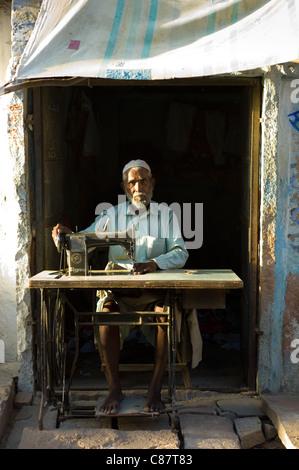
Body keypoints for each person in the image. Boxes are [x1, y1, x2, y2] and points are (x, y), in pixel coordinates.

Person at [52, 159, 190, 415]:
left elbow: (181, 253)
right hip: (120, 293)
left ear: (153, 183)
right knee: (106, 316)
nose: (138, 187)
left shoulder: (166, 215)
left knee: (165, 315)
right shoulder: (111, 216)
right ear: (124, 187)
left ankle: (155, 388)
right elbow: (82, 241)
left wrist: (153, 263)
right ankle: (114, 388)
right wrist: (65, 235)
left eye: (143, 181)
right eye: (132, 182)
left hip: (153, 292)